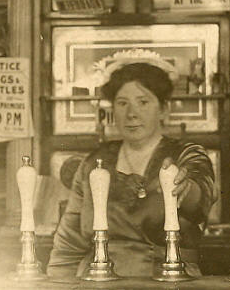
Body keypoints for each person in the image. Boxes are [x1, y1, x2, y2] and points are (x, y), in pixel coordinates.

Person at [46, 62, 216, 280]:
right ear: (113, 109)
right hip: (98, 282)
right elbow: (68, 245)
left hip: (169, 281)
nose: (132, 114)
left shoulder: (186, 155)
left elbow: (200, 191)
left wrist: (187, 187)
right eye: (122, 103)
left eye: (143, 102)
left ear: (163, 109)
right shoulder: (95, 162)